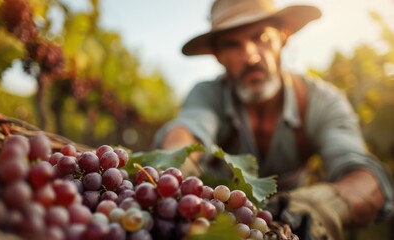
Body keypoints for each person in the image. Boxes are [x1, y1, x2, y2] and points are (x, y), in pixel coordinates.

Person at [153, 0, 394, 239]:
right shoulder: (208, 95)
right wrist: (174, 170)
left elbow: (366, 179)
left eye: (261, 37)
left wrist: (323, 206)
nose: (250, 57)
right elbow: (188, 132)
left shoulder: (321, 101)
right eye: (232, 44)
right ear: (218, 56)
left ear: (283, 37)